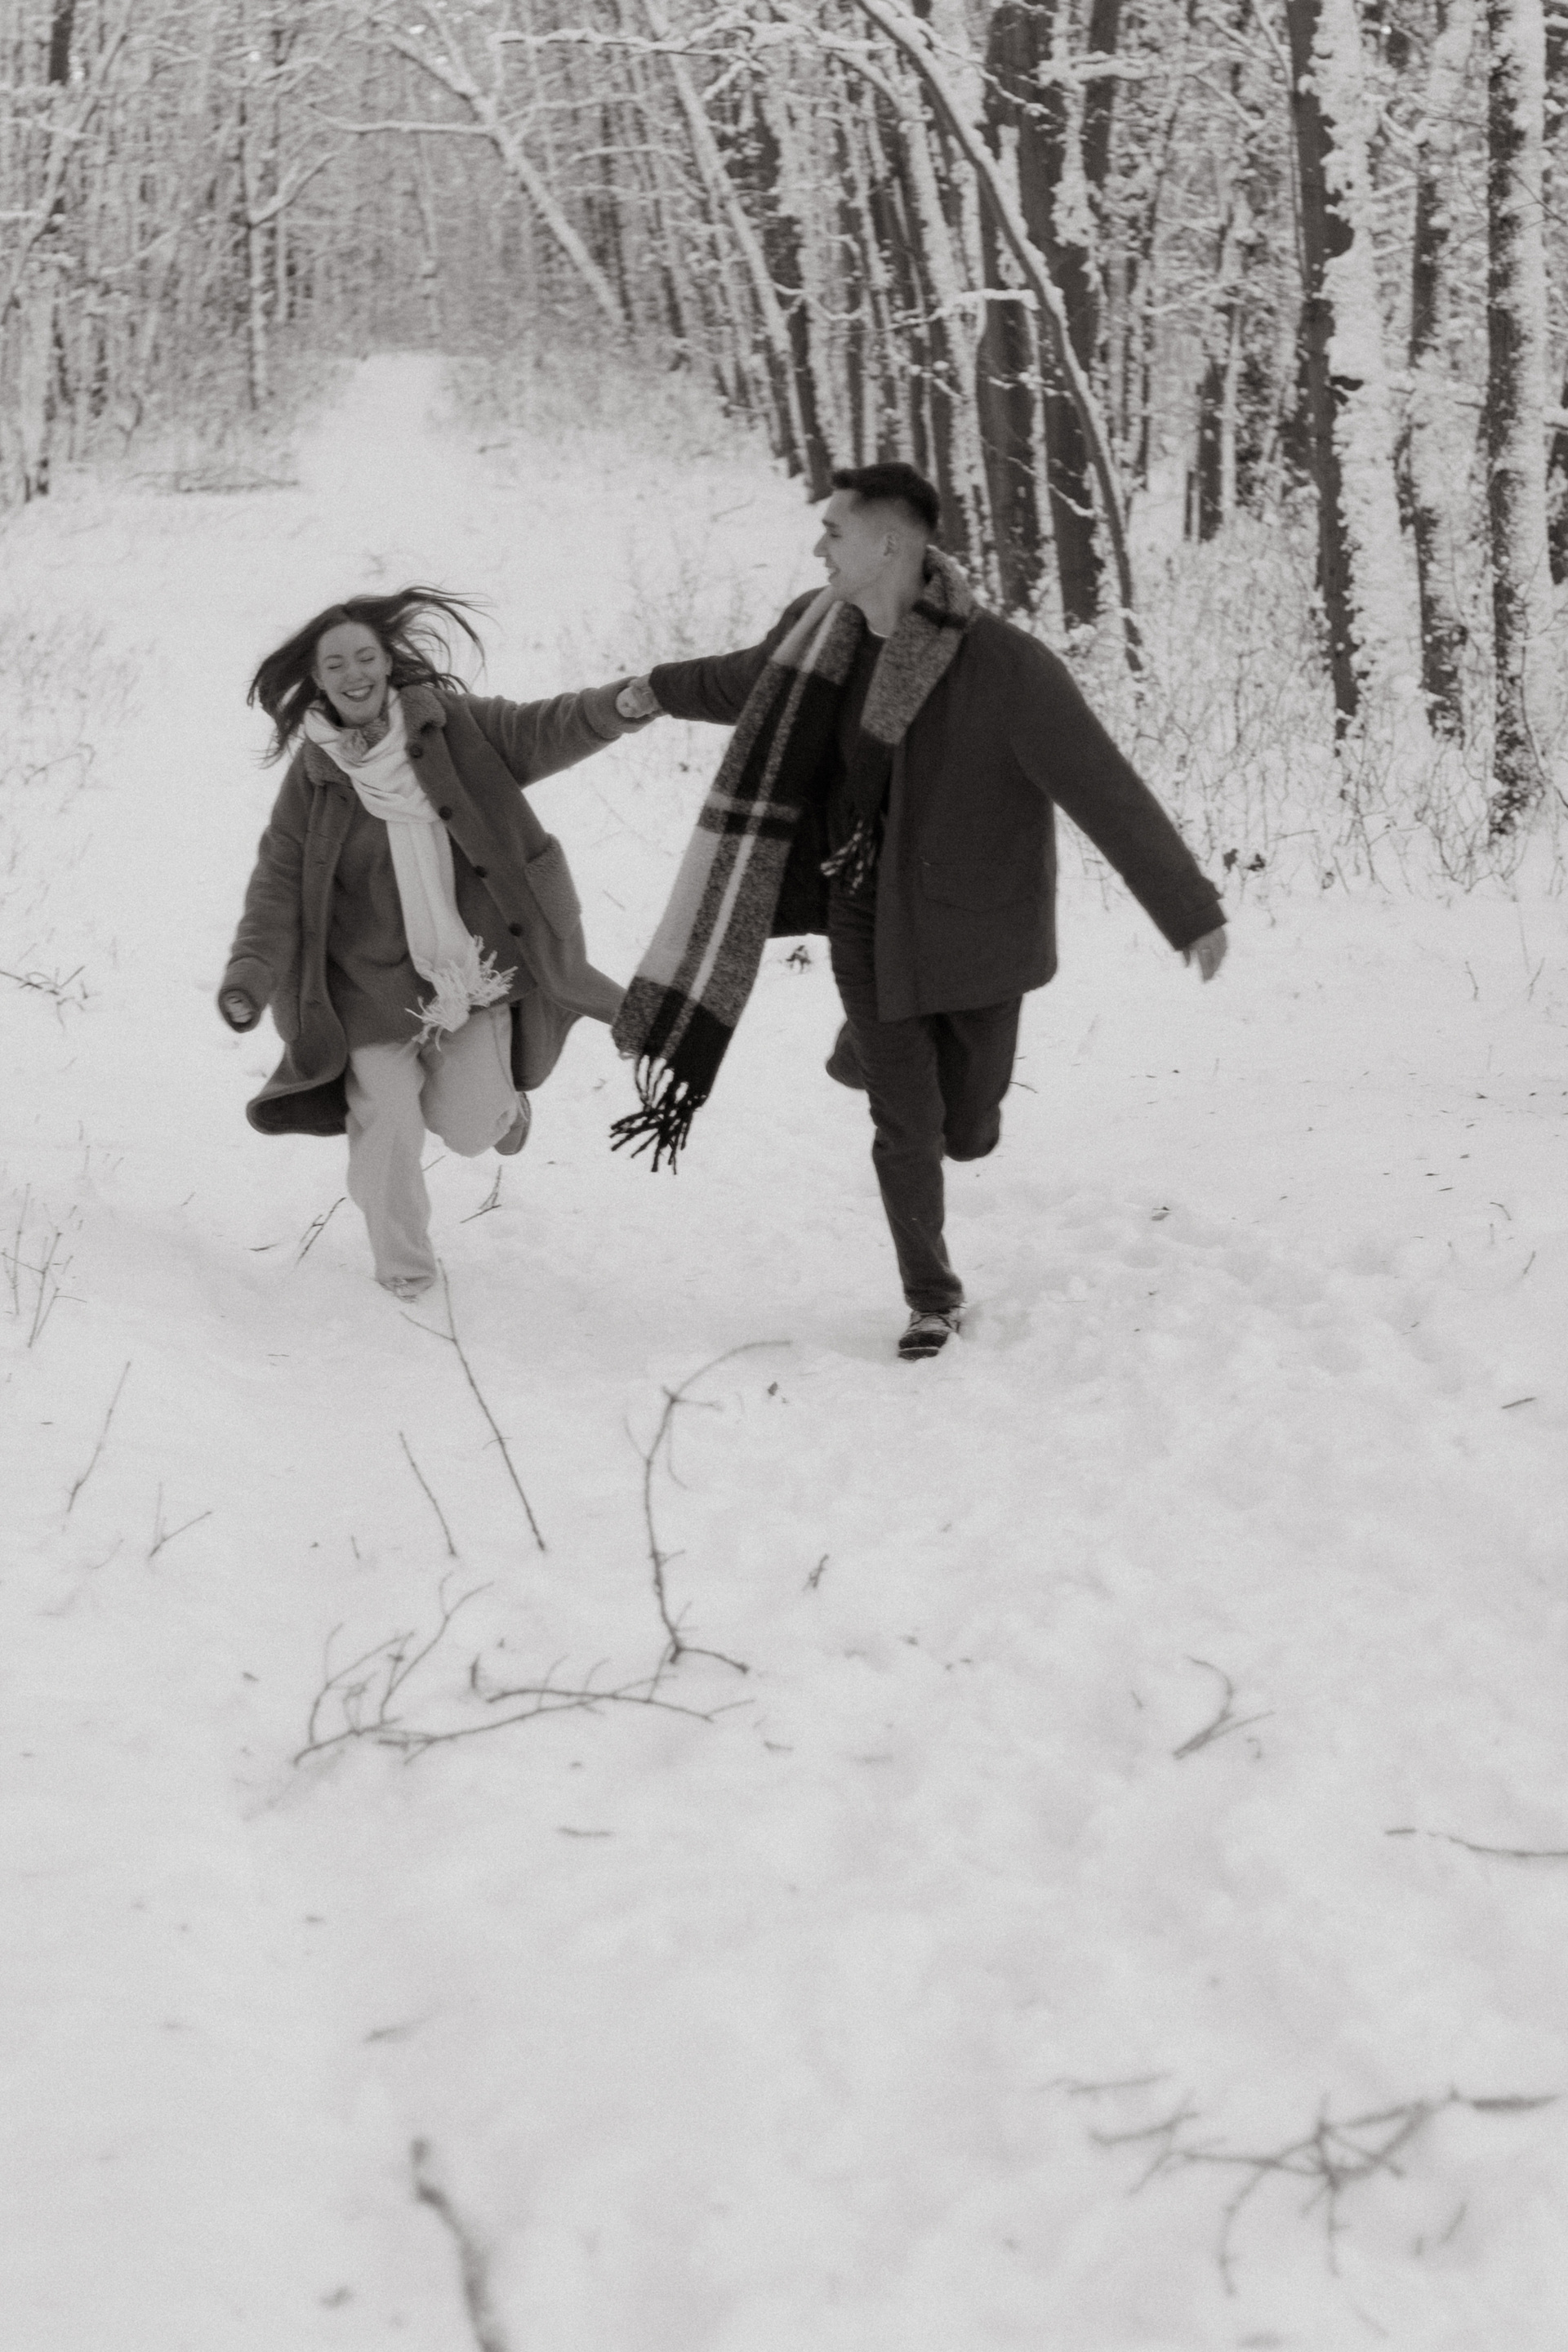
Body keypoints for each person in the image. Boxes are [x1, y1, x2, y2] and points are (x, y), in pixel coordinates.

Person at [608, 462, 1227, 1361]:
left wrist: (1189, 909)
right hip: (863, 909)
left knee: (966, 1129)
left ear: (889, 544)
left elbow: (1103, 787)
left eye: (834, 531)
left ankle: (871, 1055)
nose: (818, 547)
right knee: (907, 1127)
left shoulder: (1005, 667)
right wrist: (653, 689)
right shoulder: (815, 633)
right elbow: (744, 681)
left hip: (979, 927)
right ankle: (931, 1299)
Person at [220, 586, 648, 1300]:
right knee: (387, 1119)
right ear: (318, 680)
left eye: (365, 657)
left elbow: (543, 729)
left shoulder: (453, 726)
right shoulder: (315, 776)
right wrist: (249, 977)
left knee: (471, 1126)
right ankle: (406, 1274)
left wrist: (617, 707)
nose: (354, 674)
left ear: (388, 662)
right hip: (365, 990)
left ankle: (507, 1110)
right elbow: (277, 885)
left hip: (472, 974)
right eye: (335, 664)